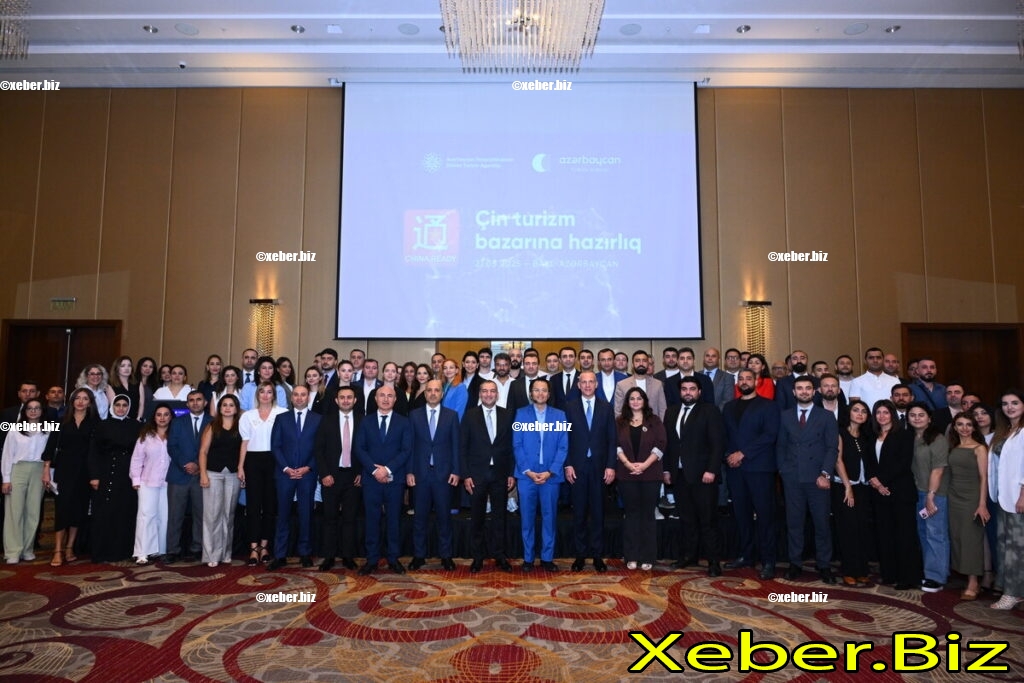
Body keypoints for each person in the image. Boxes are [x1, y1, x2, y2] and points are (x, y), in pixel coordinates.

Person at [776, 377, 839, 584]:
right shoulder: (785, 416)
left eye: (808, 388)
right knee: (794, 523)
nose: (804, 391)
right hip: (793, 478)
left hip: (818, 478)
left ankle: (824, 565)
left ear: (814, 392)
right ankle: (795, 563)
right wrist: (783, 470)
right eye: (800, 388)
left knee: (822, 524)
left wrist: (825, 474)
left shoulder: (826, 416)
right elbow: (781, 446)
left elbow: (832, 448)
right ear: (794, 392)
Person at [663, 376, 726, 576]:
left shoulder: (710, 410)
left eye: (692, 389)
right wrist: (667, 470)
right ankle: (689, 556)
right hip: (680, 475)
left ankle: (713, 562)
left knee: (708, 520)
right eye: (684, 389)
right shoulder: (671, 412)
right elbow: (668, 445)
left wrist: (712, 470)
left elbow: (717, 443)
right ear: (680, 392)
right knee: (687, 519)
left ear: (699, 392)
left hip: (703, 476)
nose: (688, 392)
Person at [723, 369, 781, 579]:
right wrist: (729, 455)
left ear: (756, 381)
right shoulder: (729, 407)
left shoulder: (769, 406)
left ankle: (768, 561)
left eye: (749, 378)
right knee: (741, 515)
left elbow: (770, 435)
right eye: (741, 379)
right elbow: (725, 435)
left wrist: (743, 453)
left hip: (760, 468)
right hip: (735, 469)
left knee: (765, 516)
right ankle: (746, 555)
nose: (744, 382)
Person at [864, 400, 921, 590]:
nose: (882, 416)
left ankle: (907, 577)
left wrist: (881, 481)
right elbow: (868, 461)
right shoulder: (872, 435)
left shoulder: (904, 435)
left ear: (892, 415)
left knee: (904, 535)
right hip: (879, 493)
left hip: (901, 491)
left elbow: (903, 463)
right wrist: (874, 480)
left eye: (886, 412)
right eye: (878, 412)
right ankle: (889, 573)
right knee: (885, 534)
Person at [513, 377, 569, 572]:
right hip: (526, 476)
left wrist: (551, 471)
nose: (540, 393)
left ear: (549, 393)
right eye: (536, 390)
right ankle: (528, 558)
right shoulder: (521, 414)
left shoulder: (560, 416)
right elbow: (517, 444)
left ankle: (547, 558)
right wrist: (527, 470)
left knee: (549, 518)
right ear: (531, 393)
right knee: (527, 519)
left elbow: (563, 446)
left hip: (550, 476)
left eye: (544, 390)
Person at [356, 385, 413, 575]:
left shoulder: (404, 422)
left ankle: (393, 558)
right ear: (376, 398)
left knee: (393, 520)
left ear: (395, 399)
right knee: (371, 520)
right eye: (382, 395)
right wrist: (375, 471)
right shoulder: (365, 421)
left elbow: (406, 450)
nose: (386, 399)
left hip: (394, 479)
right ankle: (371, 559)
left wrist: (387, 470)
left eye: (390, 396)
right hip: (371, 479)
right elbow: (359, 448)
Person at [564, 371, 616, 573]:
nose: (587, 385)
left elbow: (612, 439)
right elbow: (564, 438)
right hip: (576, 468)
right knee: (578, 513)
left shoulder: (606, 407)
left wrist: (611, 465)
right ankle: (580, 555)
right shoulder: (569, 407)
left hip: (600, 468)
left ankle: (597, 555)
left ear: (596, 384)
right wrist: (567, 464)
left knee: (597, 513)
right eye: (583, 382)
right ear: (578, 385)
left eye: (591, 382)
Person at [461, 380, 515, 572]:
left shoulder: (508, 415)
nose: (489, 394)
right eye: (485, 391)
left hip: (501, 474)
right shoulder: (469, 415)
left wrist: (511, 473)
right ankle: (477, 557)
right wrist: (466, 475)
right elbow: (463, 447)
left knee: (500, 518)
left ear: (497, 394)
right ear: (480, 394)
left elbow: (512, 446)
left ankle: (500, 555)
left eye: (492, 391)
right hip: (477, 475)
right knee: (477, 518)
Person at [407, 379, 461, 571]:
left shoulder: (451, 415)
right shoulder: (414, 415)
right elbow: (410, 446)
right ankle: (419, 556)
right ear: (425, 393)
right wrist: (409, 471)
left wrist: (456, 470)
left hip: (443, 475)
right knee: (419, 519)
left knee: (444, 518)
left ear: (442, 394)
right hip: (420, 475)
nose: (432, 393)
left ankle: (446, 556)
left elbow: (456, 445)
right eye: (429, 390)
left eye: (436, 390)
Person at [42, 388, 99, 566]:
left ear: (90, 403)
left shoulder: (96, 424)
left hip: (85, 472)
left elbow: (97, 451)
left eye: (85, 399)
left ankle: (69, 548)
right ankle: (57, 550)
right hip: (64, 471)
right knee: (62, 510)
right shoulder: (61, 422)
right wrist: (46, 471)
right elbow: (50, 447)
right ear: (72, 401)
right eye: (77, 398)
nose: (81, 401)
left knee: (78, 511)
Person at [268, 385, 320, 569]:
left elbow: (320, 448)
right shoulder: (282, 418)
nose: (299, 398)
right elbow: (275, 446)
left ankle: (305, 553)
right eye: (296, 395)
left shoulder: (318, 419)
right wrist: (286, 468)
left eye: (303, 395)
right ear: (291, 398)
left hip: (307, 474)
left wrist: (308, 467)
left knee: (306, 514)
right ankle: (280, 555)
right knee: (283, 515)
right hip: (285, 474)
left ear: (308, 397)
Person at [614, 387, 666, 571]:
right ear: (627, 402)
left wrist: (644, 465)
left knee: (648, 515)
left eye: (639, 398)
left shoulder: (654, 421)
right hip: (626, 474)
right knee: (631, 515)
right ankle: (631, 556)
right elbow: (615, 445)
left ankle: (648, 556)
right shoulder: (620, 422)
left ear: (644, 401)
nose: (635, 401)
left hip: (650, 474)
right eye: (632, 398)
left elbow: (661, 445)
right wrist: (628, 464)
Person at [238, 382, 287, 566]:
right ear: (257, 395)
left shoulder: (282, 413)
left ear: (274, 395)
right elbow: (244, 442)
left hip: (274, 461)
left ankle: (265, 547)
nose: (265, 395)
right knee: (253, 505)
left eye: (269, 392)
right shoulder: (247, 416)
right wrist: (240, 466)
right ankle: (253, 547)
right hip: (252, 461)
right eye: (262, 392)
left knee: (269, 506)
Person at [314, 386, 362, 571]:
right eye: (342, 397)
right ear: (336, 400)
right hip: (331, 477)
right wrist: (324, 474)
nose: (346, 400)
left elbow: (366, 448)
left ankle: (348, 556)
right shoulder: (326, 420)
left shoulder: (362, 420)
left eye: (349, 397)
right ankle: (329, 556)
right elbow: (318, 450)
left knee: (350, 519)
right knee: (330, 518)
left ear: (355, 400)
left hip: (353, 477)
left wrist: (361, 473)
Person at [88, 395, 139, 562]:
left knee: (125, 511)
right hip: (106, 472)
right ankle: (103, 551)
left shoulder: (136, 426)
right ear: (112, 406)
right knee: (105, 512)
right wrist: (94, 476)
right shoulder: (103, 425)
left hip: (128, 474)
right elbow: (94, 452)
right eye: (118, 405)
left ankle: (123, 551)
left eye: (125, 405)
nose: (121, 408)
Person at [908, 403, 950, 593]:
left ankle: (937, 577)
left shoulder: (938, 439)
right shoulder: (911, 438)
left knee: (936, 534)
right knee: (923, 533)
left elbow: (938, 470)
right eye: (913, 415)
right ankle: (929, 571)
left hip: (935, 493)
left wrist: (931, 496)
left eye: (921, 415)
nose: (917, 418)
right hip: (917, 492)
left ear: (929, 418)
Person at [2, 399, 51, 563]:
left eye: (37, 408)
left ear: (42, 411)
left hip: (38, 469)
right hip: (18, 469)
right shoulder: (15, 429)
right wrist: (6, 478)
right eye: (30, 408)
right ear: (25, 411)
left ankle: (27, 549)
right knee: (14, 512)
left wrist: (49, 475)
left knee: (33, 512)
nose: (33, 411)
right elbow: (7, 455)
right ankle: (13, 551)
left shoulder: (48, 430)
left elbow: (50, 455)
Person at [947, 412, 990, 600]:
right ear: (954, 427)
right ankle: (965, 576)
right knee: (957, 538)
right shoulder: (953, 447)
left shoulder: (979, 448)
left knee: (971, 540)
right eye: (960, 424)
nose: (964, 428)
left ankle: (974, 583)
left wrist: (982, 504)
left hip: (972, 498)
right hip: (953, 497)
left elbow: (984, 478)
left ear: (974, 427)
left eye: (969, 425)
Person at [165, 390, 210, 563]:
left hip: (202, 475)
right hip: (179, 474)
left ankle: (198, 548)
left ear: (205, 402)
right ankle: (172, 550)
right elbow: (172, 446)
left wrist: (198, 465)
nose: (195, 403)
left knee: (201, 515)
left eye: (199, 399)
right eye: (191, 400)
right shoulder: (177, 422)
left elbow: (213, 448)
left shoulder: (212, 422)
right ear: (187, 404)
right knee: (175, 515)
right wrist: (186, 464)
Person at [832, 399, 873, 585]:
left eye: (864, 411)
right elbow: (837, 460)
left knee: (862, 529)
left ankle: (862, 570)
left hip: (863, 488)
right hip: (844, 487)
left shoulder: (867, 435)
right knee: (848, 529)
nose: (860, 414)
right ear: (849, 413)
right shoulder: (840, 433)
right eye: (856, 410)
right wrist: (848, 486)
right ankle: (849, 570)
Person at [198, 395, 243, 567]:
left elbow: (244, 450)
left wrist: (242, 471)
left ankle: (225, 553)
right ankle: (211, 555)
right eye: (224, 405)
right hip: (213, 474)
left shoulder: (241, 426)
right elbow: (203, 451)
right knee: (212, 516)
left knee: (228, 515)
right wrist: (203, 474)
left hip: (233, 475)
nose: (227, 408)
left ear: (236, 408)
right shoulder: (212, 426)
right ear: (219, 408)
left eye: (231, 405)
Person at [993, 390, 1024, 609]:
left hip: (1018, 497)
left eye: (1015, 403)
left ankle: (1013, 593)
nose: (1009, 407)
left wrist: (1023, 495)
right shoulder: (1004, 431)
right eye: (1005, 403)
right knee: (1005, 543)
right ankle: (1011, 589)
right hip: (1004, 496)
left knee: (1016, 547)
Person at [130, 404, 173, 564]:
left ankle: (160, 550)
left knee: (164, 517)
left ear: (171, 417)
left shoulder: (174, 436)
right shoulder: (145, 436)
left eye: (166, 414)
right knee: (146, 516)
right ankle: (142, 552)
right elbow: (136, 459)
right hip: (147, 482)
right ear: (154, 417)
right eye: (159, 414)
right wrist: (135, 479)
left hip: (168, 483)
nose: (162, 418)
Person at [613, 351, 667, 419]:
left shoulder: (658, 384)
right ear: (632, 365)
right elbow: (618, 411)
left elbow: (662, 410)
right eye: (637, 361)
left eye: (644, 361)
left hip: (653, 424)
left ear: (648, 364)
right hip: (629, 424)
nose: (641, 364)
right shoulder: (622, 385)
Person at [106, 356, 143, 421]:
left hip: (135, 419)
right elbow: (115, 406)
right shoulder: (110, 385)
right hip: (117, 420)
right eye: (123, 366)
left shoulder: (138, 383)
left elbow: (141, 404)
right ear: (116, 368)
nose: (127, 368)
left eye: (129, 366)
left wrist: (139, 418)